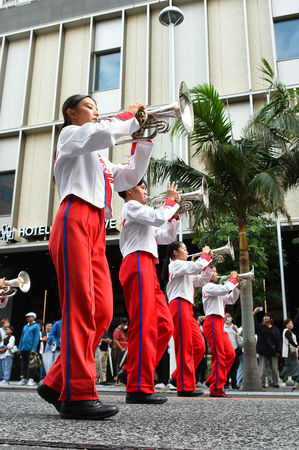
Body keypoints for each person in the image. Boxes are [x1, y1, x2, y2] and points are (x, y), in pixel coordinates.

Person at [37, 94, 152, 420]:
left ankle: (55, 380)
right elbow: (100, 132)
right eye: (89, 106)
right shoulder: (71, 135)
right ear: (71, 113)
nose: (96, 111)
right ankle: (77, 394)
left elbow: (130, 177)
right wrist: (129, 116)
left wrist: (143, 140)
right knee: (81, 307)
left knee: (102, 311)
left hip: (96, 227)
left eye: (97, 108)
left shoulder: (98, 155)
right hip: (74, 217)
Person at [118, 179, 180, 404]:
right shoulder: (130, 206)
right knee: (144, 324)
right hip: (136, 261)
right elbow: (157, 217)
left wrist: (174, 214)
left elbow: (165, 236)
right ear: (128, 190)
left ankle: (130, 369)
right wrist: (170, 202)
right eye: (142, 187)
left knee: (165, 325)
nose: (146, 191)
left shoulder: (141, 216)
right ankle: (138, 387)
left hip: (148, 266)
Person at [162, 241, 213, 396]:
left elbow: (202, 279)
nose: (186, 251)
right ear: (175, 252)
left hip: (187, 308)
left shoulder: (184, 269)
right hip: (178, 305)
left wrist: (209, 264)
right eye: (184, 249)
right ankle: (185, 386)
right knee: (184, 346)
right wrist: (205, 255)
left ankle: (177, 377)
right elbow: (196, 266)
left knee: (199, 347)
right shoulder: (175, 264)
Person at [202, 268, 241, 397]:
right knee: (219, 355)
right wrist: (233, 279)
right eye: (213, 271)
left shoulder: (217, 288)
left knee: (230, 354)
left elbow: (231, 299)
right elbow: (225, 289)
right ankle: (217, 389)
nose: (216, 274)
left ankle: (212, 380)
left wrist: (237, 287)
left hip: (219, 323)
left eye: (216, 271)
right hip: (212, 321)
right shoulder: (207, 287)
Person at [253, 308, 282, 388]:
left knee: (275, 369)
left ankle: (276, 383)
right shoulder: (260, 327)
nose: (265, 318)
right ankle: (261, 384)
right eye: (264, 316)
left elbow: (278, 340)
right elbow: (254, 324)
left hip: (274, 351)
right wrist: (254, 314)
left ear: (271, 319)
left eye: (267, 316)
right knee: (262, 369)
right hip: (263, 351)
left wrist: (278, 350)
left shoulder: (275, 329)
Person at [17, 312, 40, 386]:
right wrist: (19, 347)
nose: (28, 318)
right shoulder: (25, 326)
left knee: (32, 364)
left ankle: (31, 379)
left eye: (29, 317)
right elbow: (21, 337)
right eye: (27, 317)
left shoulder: (36, 326)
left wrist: (34, 348)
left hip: (30, 349)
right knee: (24, 364)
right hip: (24, 348)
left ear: (33, 318)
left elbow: (36, 338)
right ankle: (23, 378)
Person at [223, 312, 241, 390]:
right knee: (226, 367)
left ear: (232, 318)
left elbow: (240, 337)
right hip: (226, 350)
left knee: (234, 368)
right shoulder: (222, 327)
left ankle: (234, 384)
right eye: (226, 317)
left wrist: (236, 330)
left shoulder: (235, 327)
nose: (228, 318)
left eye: (229, 316)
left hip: (235, 349)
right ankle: (225, 384)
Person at [113, 318, 128, 384]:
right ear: (122, 324)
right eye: (125, 324)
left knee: (122, 364)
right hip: (119, 350)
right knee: (119, 364)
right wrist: (121, 348)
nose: (126, 326)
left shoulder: (121, 331)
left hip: (123, 350)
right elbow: (115, 340)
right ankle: (117, 380)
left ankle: (119, 379)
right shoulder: (117, 330)